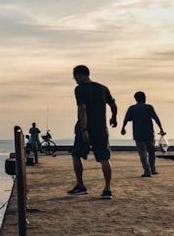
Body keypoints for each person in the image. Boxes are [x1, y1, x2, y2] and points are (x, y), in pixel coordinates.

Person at [69, 64, 118, 199]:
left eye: (75, 76)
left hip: (85, 128)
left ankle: (80, 185)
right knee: (104, 158)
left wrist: (84, 129)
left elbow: (83, 109)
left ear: (79, 75)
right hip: (101, 128)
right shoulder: (103, 88)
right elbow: (113, 104)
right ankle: (107, 189)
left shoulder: (80, 89)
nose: (74, 79)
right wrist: (114, 117)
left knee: (76, 155)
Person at [120, 91, 165, 177]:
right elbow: (156, 118)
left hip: (138, 134)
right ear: (145, 98)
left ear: (135, 99)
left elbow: (126, 119)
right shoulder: (149, 107)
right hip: (149, 133)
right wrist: (161, 128)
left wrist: (123, 128)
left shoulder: (132, 108)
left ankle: (146, 170)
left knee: (142, 153)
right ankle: (153, 169)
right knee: (151, 152)